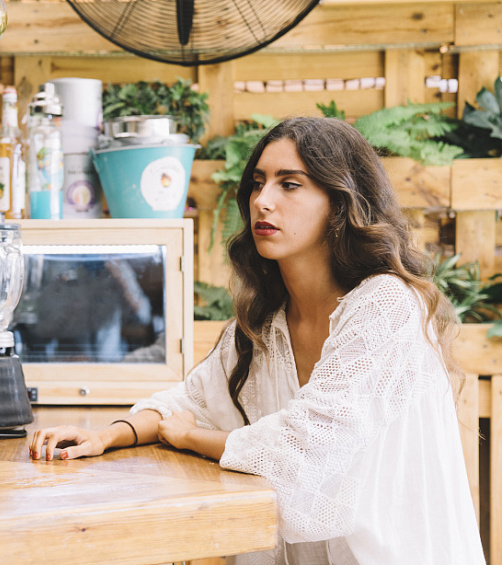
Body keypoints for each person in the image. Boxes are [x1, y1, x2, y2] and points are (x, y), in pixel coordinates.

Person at [29, 117, 485, 564]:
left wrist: (191, 437)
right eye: (257, 183)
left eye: (290, 184)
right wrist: (104, 437)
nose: (262, 201)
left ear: (341, 201)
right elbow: (189, 398)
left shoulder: (386, 305)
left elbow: (303, 449)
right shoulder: (265, 324)